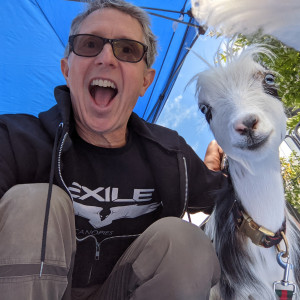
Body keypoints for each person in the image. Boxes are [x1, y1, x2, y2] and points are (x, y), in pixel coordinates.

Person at [0, 0, 226, 299]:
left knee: (184, 239)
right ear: (67, 70)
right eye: (90, 44)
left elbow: (231, 199)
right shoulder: (14, 138)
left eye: (127, 49)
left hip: (123, 289)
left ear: (146, 81)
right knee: (35, 202)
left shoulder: (171, 154)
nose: (106, 57)